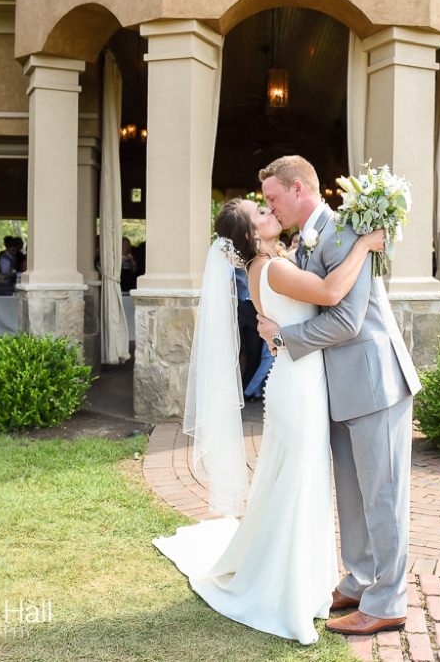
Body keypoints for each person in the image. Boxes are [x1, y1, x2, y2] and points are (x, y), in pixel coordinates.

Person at [152, 192, 387, 645]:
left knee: (297, 483)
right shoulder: (273, 268)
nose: (270, 212)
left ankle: (302, 580)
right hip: (298, 387)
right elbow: (330, 293)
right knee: (301, 484)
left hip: (296, 379)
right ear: (249, 234)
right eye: (261, 213)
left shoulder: (273, 262)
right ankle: (291, 591)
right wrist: (363, 246)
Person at [255, 156, 421, 637]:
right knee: (352, 494)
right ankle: (360, 580)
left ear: (300, 189)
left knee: (384, 497)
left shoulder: (346, 232)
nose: (270, 206)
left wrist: (285, 337)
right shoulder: (307, 239)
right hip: (339, 389)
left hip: (375, 383)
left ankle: (388, 601)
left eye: (272, 198)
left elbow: (347, 320)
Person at [234, 265, 262, 394]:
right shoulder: (235, 259)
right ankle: (233, 386)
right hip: (240, 305)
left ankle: (246, 389)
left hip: (257, 308)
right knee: (236, 348)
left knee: (254, 351)